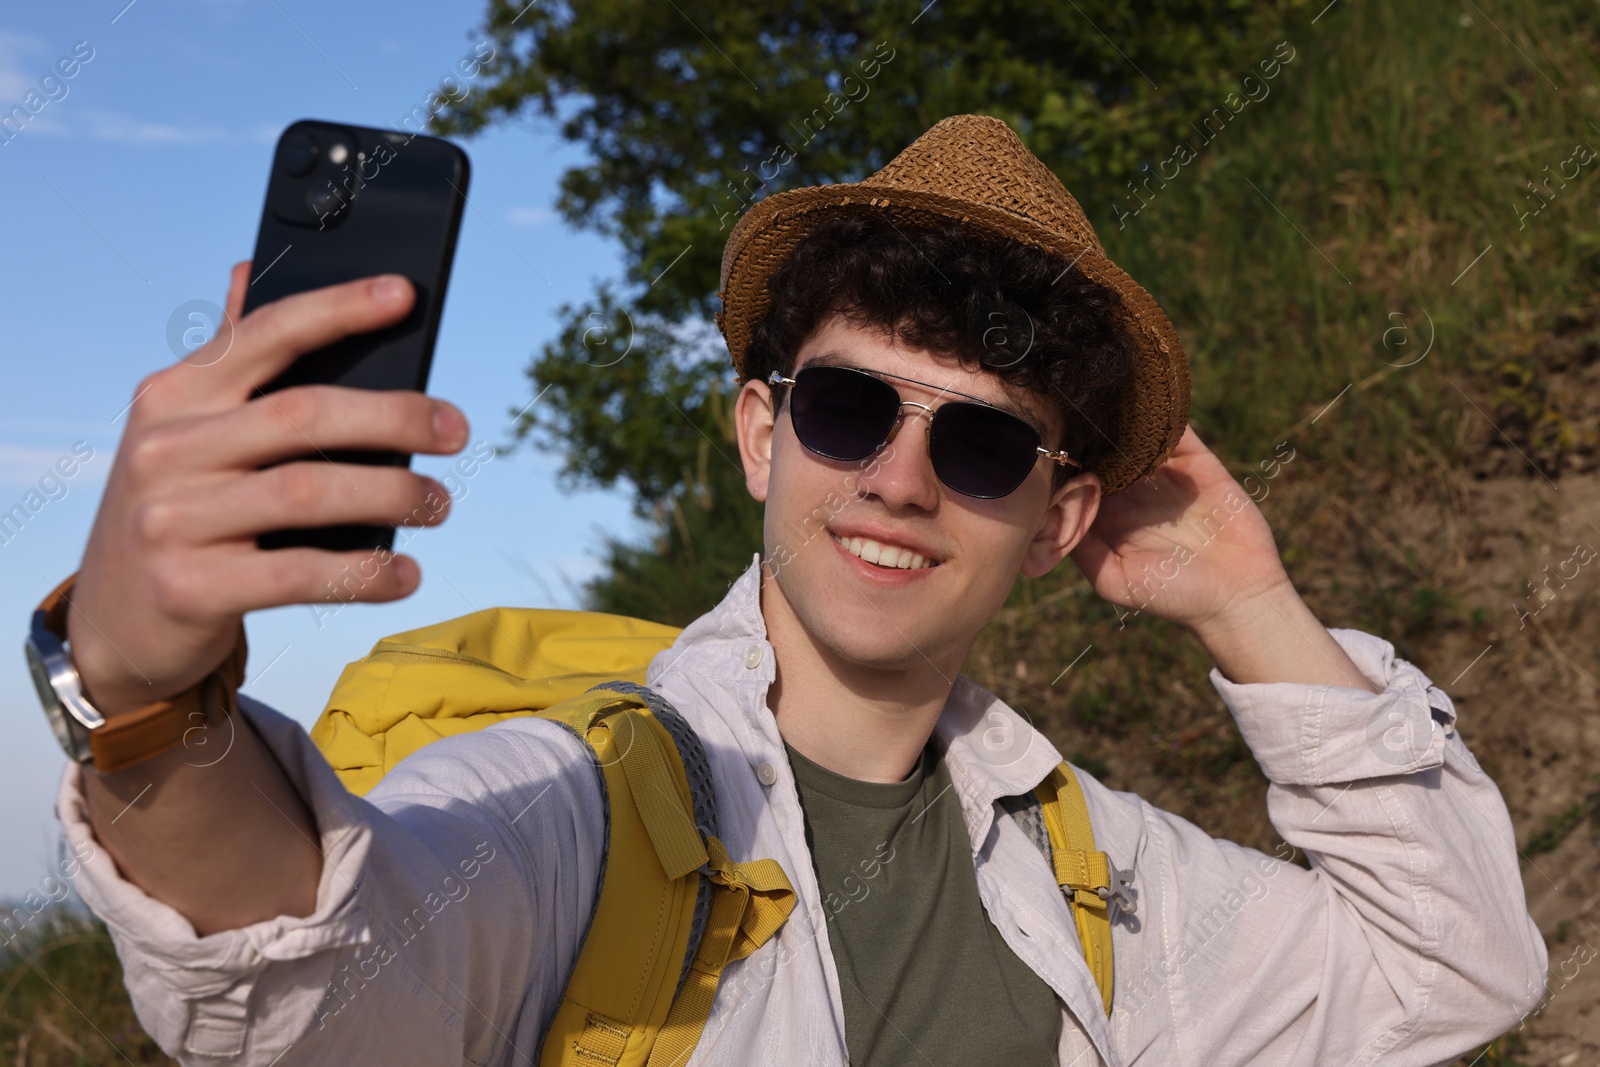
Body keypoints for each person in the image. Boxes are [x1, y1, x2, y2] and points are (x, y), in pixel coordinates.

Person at [31, 115, 1544, 1065]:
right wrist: (150, 695)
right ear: (763, 435)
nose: (897, 478)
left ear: (1057, 513)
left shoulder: (1104, 882)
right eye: (843, 410)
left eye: (980, 442)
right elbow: (312, 981)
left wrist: (1246, 604)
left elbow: (1451, 970)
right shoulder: (571, 805)